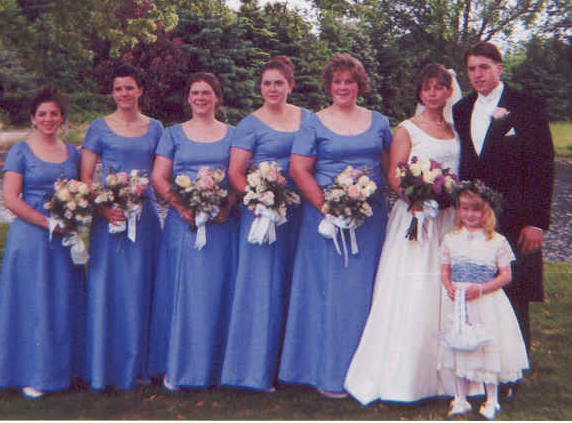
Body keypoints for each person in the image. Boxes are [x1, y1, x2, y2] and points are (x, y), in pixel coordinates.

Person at [344, 63, 462, 404]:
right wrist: (418, 200)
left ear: (449, 91)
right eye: (426, 87)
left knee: (444, 287)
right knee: (413, 287)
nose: (432, 93)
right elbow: (395, 176)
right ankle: (404, 376)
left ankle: (448, 375)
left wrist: (446, 198)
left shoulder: (456, 130)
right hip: (416, 216)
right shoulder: (407, 128)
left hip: (447, 217)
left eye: (438, 87)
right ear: (420, 92)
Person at [278, 53, 392, 398]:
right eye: (337, 81)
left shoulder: (379, 122)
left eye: (349, 81)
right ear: (329, 86)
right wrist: (328, 208)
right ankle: (326, 371)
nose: (343, 87)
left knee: (363, 290)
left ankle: (368, 371)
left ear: (360, 85)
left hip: (369, 220)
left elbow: (388, 169)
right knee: (327, 292)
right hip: (325, 220)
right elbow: (299, 169)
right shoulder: (313, 123)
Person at [451, 42, 554, 374]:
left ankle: (513, 371)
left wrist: (537, 222)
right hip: (474, 219)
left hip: (516, 216)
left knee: (514, 294)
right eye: (471, 69)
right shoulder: (462, 109)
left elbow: (542, 166)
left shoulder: (527, 105)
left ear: (499, 67)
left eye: (483, 67)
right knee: (478, 291)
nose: (477, 74)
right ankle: (478, 366)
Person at [220, 56, 311, 392]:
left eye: (279, 83)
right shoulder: (249, 124)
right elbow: (235, 172)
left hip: (298, 213)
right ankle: (253, 370)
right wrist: (258, 200)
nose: (273, 89)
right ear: (260, 87)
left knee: (294, 285)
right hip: (262, 216)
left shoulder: (308, 119)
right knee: (262, 287)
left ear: (290, 85)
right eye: (267, 83)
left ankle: (293, 366)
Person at [0, 86, 85, 399]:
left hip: (64, 238)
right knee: (33, 303)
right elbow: (10, 199)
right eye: (42, 114)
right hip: (31, 237)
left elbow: (80, 191)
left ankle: (65, 371)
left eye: (54, 113)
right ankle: (31, 373)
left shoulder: (73, 154)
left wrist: (73, 218)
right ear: (32, 118)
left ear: (62, 118)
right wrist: (47, 223)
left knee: (63, 302)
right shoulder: (20, 152)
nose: (48, 119)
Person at [148, 72, 239, 390]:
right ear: (188, 98)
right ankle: (178, 367)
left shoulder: (233, 135)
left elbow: (238, 176)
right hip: (182, 225)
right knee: (184, 294)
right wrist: (180, 206)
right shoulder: (173, 134)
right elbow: (159, 177)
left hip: (221, 226)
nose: (200, 97)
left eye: (207, 92)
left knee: (217, 292)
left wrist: (227, 206)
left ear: (217, 98)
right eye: (195, 92)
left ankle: (216, 368)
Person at [79, 64, 163, 391]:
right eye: (118, 89)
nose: (124, 94)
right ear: (112, 93)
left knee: (143, 286)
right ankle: (105, 367)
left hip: (145, 220)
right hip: (110, 220)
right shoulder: (98, 128)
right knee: (108, 289)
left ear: (140, 90)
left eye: (130, 87)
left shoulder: (156, 128)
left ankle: (142, 365)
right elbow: (86, 178)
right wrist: (102, 208)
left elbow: (161, 174)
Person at [439, 181, 529, 419]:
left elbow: (506, 276)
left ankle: (492, 400)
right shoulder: (451, 238)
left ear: (486, 211)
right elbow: (444, 269)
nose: (469, 214)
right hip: (460, 302)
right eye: (464, 209)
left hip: (486, 302)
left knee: (487, 347)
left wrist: (481, 289)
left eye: (475, 210)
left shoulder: (496, 241)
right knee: (459, 345)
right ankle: (460, 399)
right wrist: (449, 287)